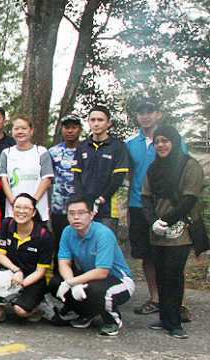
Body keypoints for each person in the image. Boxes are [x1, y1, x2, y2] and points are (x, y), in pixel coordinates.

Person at [126, 101, 190, 320]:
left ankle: (178, 303)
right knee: (147, 255)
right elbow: (132, 174)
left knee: (174, 255)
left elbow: (184, 168)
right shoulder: (131, 143)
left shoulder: (172, 139)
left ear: (158, 114)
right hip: (139, 206)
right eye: (141, 112)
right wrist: (128, 204)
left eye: (150, 112)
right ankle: (155, 299)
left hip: (168, 206)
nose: (145, 116)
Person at [142, 126, 203, 339]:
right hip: (157, 228)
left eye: (165, 140)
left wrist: (166, 220)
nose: (161, 145)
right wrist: (153, 222)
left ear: (175, 142)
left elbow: (189, 199)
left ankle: (174, 321)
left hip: (180, 228)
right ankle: (164, 318)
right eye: (157, 141)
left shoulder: (189, 166)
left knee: (174, 274)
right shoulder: (154, 168)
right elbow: (146, 197)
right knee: (160, 274)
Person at [49, 195, 135, 336]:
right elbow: (64, 263)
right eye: (72, 213)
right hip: (90, 278)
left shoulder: (103, 234)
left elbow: (102, 272)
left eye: (81, 213)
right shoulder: (67, 232)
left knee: (97, 290)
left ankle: (113, 321)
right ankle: (87, 313)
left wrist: (71, 282)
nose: (76, 217)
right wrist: (72, 284)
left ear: (91, 214)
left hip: (119, 281)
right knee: (55, 283)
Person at [0, 193, 54, 326]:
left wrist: (19, 286)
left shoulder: (44, 235)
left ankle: (37, 305)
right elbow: (0, 255)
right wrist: (17, 271)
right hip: (13, 271)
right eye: (17, 207)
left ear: (33, 213)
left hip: (32, 278)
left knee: (20, 311)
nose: (21, 211)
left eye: (26, 208)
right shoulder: (7, 224)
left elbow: (40, 272)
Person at [71, 105, 129, 233]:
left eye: (100, 120)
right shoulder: (82, 146)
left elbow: (118, 178)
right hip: (85, 208)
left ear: (109, 123)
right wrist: (83, 201)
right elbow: (76, 177)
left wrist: (101, 199)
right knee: (84, 248)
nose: (96, 124)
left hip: (107, 210)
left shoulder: (118, 146)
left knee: (105, 247)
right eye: (93, 120)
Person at [0, 114, 54, 222]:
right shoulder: (6, 153)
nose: (20, 132)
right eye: (16, 128)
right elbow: (3, 179)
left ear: (31, 131)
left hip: (37, 211)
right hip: (13, 212)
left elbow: (47, 179)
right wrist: (14, 203)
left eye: (24, 128)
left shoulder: (41, 152)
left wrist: (32, 202)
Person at [48, 115, 82, 272]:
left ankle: (80, 275)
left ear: (80, 129)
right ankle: (58, 275)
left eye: (74, 127)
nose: (70, 131)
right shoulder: (53, 152)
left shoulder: (86, 150)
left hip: (80, 208)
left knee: (80, 242)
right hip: (59, 208)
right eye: (66, 127)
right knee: (60, 242)